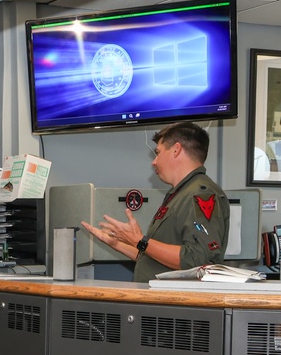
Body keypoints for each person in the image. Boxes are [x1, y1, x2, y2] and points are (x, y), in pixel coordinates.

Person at [81, 121, 230, 283]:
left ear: (176, 150)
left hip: (176, 304)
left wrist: (140, 241)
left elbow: (198, 259)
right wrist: (117, 243)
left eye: (158, 153)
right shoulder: (179, 194)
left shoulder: (201, 194)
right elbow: (156, 261)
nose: (154, 161)